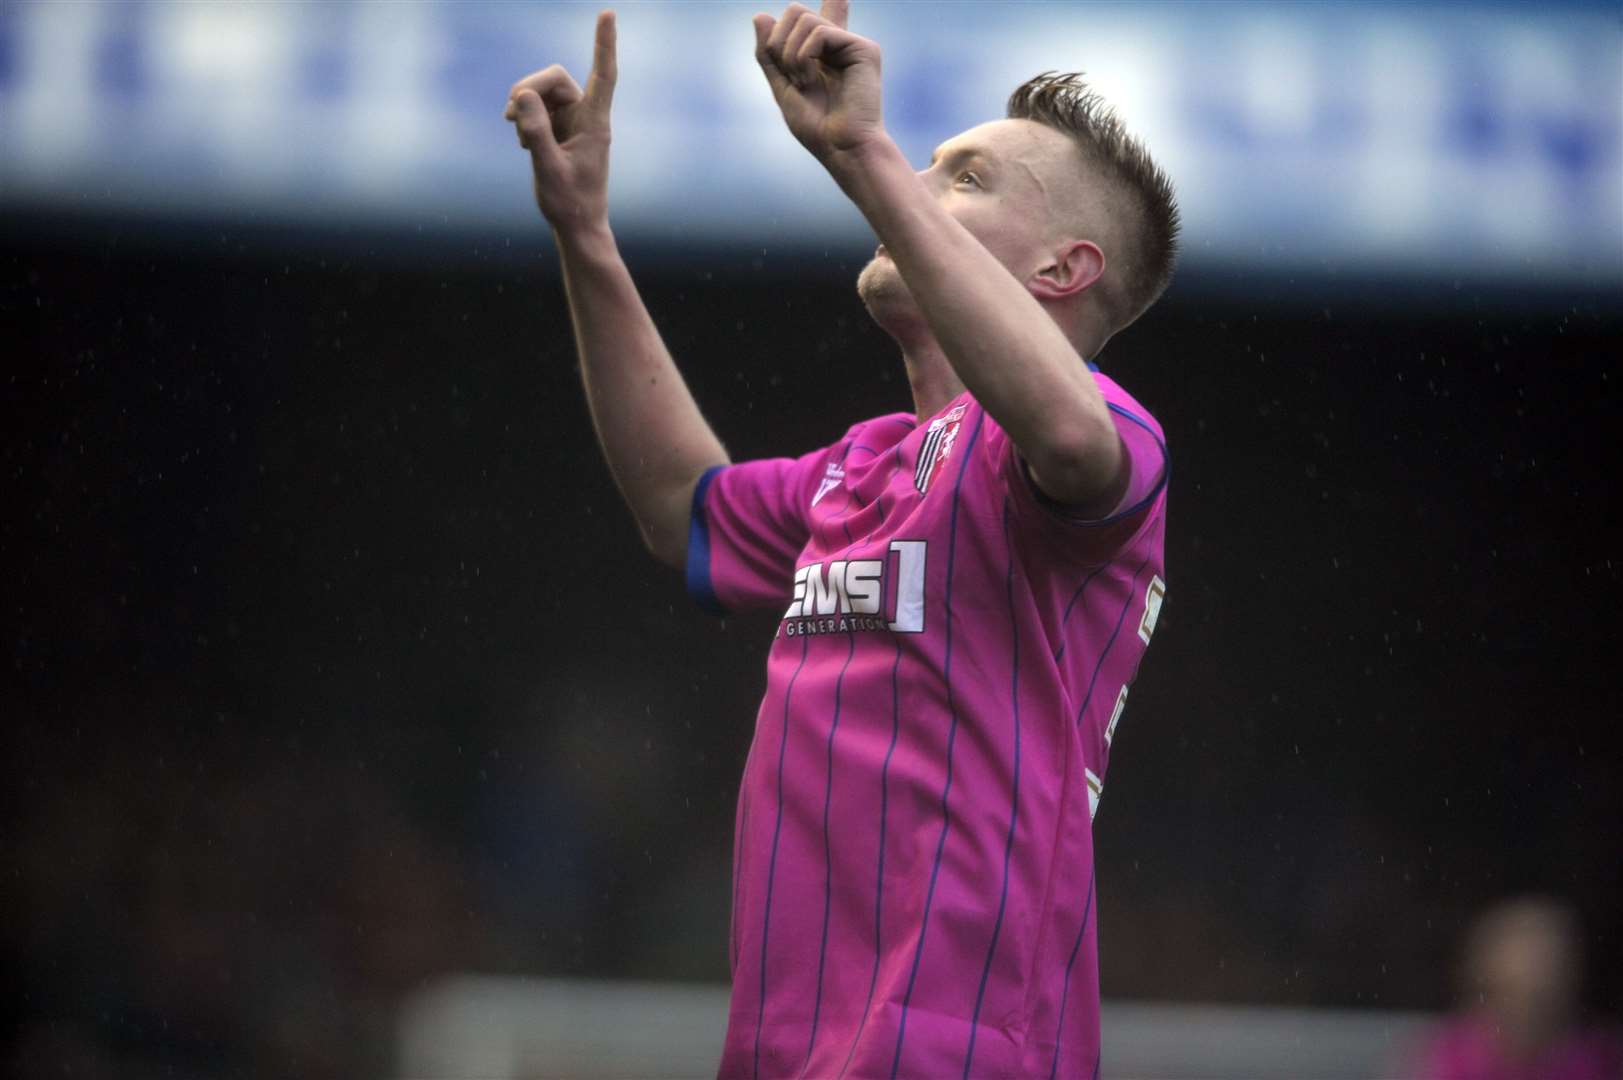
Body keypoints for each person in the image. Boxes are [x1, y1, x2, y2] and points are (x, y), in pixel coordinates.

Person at [504, 2, 1177, 1075]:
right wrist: (585, 232)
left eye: (963, 178)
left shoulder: (1103, 434)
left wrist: (860, 148)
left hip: (958, 1047)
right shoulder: (859, 469)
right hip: (789, 1047)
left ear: (1063, 270)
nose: (909, 188)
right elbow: (685, 504)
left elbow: (1061, 428)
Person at [1407, 896, 1623, 1080]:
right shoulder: (1452, 1058)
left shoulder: (1597, 1058)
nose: (1536, 974)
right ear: (1488, 979)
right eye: (1518, 993)